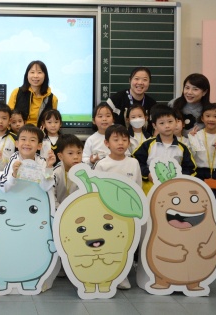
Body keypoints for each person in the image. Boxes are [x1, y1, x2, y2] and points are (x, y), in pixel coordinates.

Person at [94, 125, 141, 291]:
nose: (120, 143)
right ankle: (106, 274)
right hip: (107, 212)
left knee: (125, 245)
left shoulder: (134, 163)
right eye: (116, 140)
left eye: (124, 140)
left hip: (127, 213)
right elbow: (96, 190)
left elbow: (138, 188)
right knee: (108, 245)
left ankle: (122, 276)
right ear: (107, 143)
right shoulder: (102, 165)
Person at [133, 104, 196, 194]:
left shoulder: (183, 148)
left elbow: (191, 168)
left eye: (170, 121)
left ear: (176, 122)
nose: (167, 126)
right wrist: (147, 174)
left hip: (174, 191)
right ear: (155, 126)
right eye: (162, 123)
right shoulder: (147, 144)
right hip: (149, 190)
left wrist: (179, 177)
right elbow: (136, 162)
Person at [170, 73, 216, 146]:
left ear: (204, 92)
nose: (189, 92)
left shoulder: (209, 109)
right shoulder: (173, 104)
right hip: (175, 147)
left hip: (199, 150)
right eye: (187, 88)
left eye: (195, 89)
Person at [0, 124, 56, 193]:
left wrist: (49, 167)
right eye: (23, 139)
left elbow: (46, 187)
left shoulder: (42, 162)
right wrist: (13, 175)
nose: (27, 143)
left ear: (39, 146)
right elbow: (4, 187)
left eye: (32, 140)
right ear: (16, 144)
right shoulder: (14, 160)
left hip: (36, 197)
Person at [8, 60, 58, 126]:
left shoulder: (52, 98)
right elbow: (8, 117)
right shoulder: (16, 92)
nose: (35, 76)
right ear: (27, 75)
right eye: (32, 72)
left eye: (39, 72)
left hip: (41, 132)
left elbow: (52, 122)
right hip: (19, 131)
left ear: (45, 76)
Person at [83, 103, 116, 167]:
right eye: (100, 116)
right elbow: (84, 159)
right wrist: (91, 161)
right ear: (93, 121)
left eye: (108, 116)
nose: (104, 119)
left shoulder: (118, 137)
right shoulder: (91, 139)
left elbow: (126, 155)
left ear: (113, 119)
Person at [53, 134, 83, 206]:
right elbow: (51, 196)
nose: (76, 157)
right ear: (60, 156)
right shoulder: (56, 172)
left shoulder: (85, 171)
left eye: (79, 153)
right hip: (58, 209)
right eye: (70, 153)